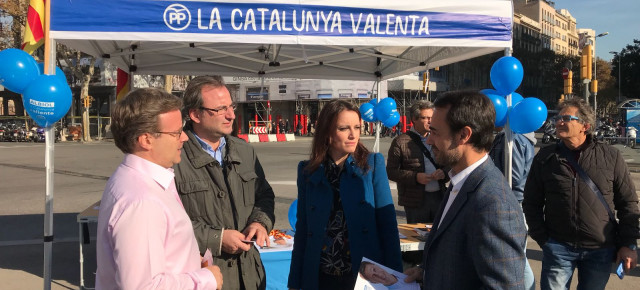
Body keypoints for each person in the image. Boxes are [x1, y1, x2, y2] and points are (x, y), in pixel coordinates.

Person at [96, 88, 222, 289]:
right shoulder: (142, 201)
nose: (184, 138)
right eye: (175, 133)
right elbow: (142, 286)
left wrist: (186, 258)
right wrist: (205, 279)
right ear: (146, 140)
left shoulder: (140, 179)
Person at [404, 91, 527, 289]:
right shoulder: (460, 181)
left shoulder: (493, 202)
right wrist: (426, 273)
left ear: (464, 135)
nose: (429, 140)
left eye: (435, 132)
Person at [523, 98, 639, 290]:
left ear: (585, 125)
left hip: (600, 249)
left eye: (566, 118)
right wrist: (544, 239)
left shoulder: (610, 157)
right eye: (558, 118)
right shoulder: (546, 158)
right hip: (558, 247)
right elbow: (531, 203)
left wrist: (628, 244)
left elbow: (628, 203)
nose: (559, 122)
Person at [174, 76, 276, 290]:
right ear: (195, 114)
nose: (231, 115)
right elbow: (167, 224)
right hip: (203, 276)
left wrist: (259, 223)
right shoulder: (175, 157)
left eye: (231, 106)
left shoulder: (245, 151)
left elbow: (264, 196)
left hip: (250, 276)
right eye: (220, 109)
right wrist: (216, 239)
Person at [288, 100, 402, 290]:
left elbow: (388, 226)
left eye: (357, 127)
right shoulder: (308, 171)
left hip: (362, 275)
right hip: (320, 275)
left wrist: (395, 279)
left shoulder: (373, 164)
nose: (353, 135)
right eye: (344, 128)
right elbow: (303, 230)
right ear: (327, 133)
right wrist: (294, 282)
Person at [488, 127, 536, 290]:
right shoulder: (510, 137)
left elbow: (514, 176)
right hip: (512, 200)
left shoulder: (513, 139)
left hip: (512, 202)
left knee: (517, 257)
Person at [387, 100, 447, 224]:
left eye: (432, 117)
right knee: (417, 237)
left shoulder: (440, 137)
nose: (430, 121)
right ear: (414, 119)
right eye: (425, 118)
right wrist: (415, 177)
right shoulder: (400, 141)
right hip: (414, 201)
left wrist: (444, 173)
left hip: (439, 196)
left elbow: (450, 163)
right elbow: (391, 172)